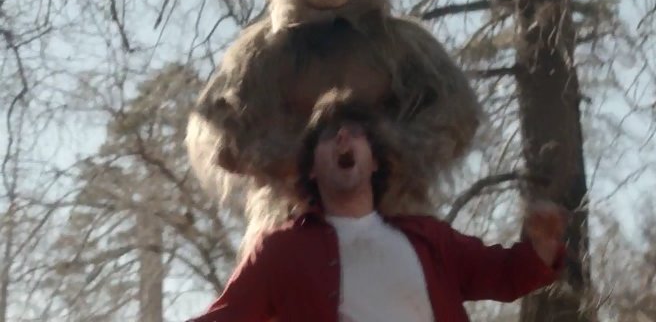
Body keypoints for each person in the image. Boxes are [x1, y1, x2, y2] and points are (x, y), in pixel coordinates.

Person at [187, 92, 567, 322]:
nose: (342, 137)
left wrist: (542, 246)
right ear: (312, 170)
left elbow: (506, 274)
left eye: (355, 133)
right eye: (328, 136)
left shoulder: (429, 239)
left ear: (375, 163)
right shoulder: (280, 250)